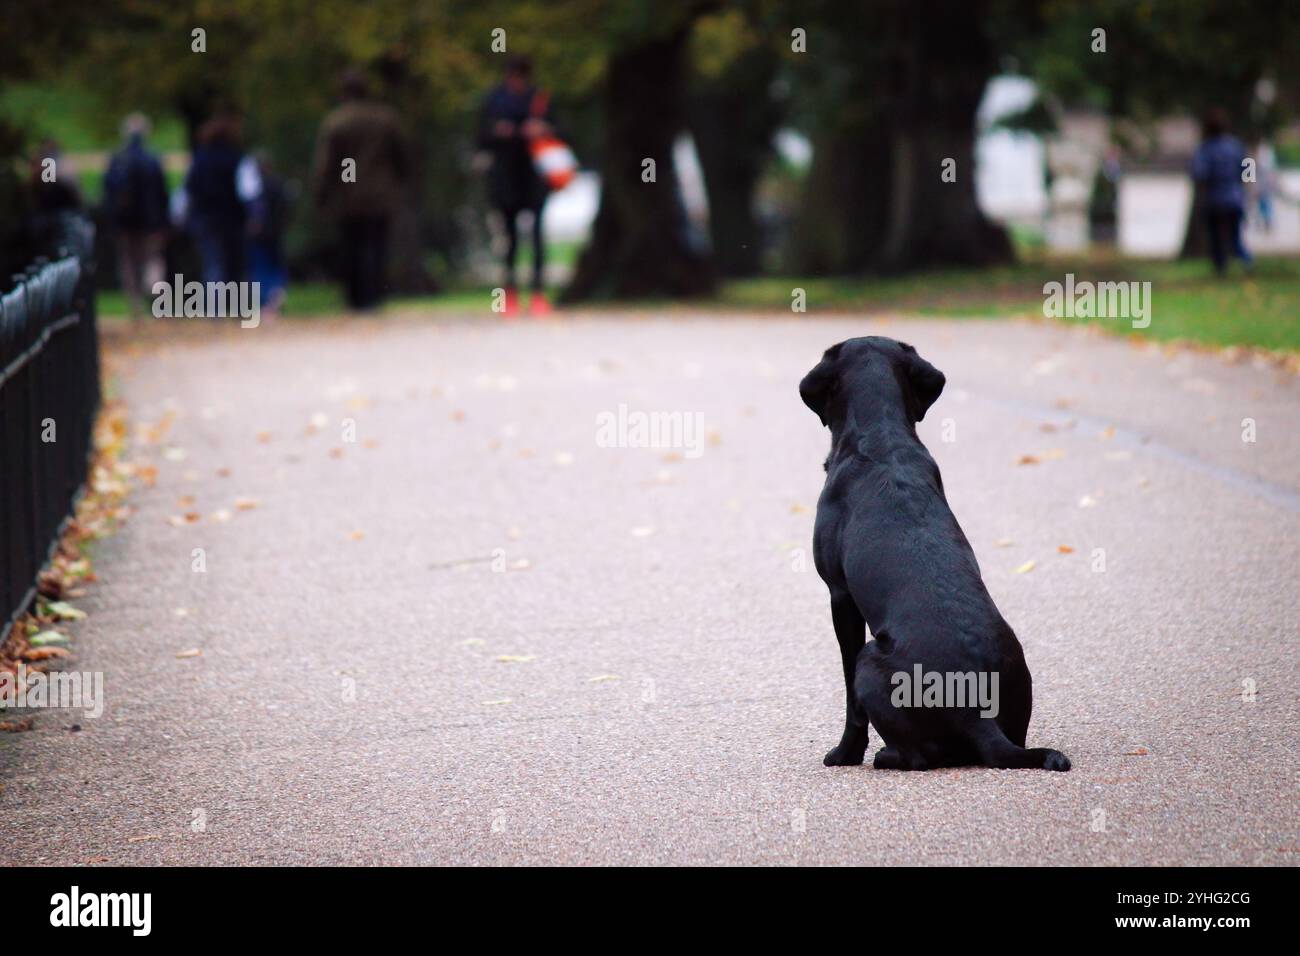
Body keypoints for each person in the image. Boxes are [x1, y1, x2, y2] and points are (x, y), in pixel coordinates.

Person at [311, 69, 410, 311]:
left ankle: (354, 300)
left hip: (348, 195)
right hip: (380, 193)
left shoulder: (336, 121)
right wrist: (401, 181)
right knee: (376, 246)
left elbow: (326, 164)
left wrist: (320, 193)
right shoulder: (386, 118)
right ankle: (374, 298)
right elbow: (403, 156)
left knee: (351, 248)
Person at [478, 55, 559, 316]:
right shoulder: (494, 100)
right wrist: (498, 132)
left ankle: (537, 294)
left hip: (534, 176)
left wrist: (542, 128)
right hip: (506, 177)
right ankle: (509, 294)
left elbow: (562, 132)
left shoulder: (541, 99)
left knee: (537, 237)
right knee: (510, 238)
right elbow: (480, 136)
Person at [102, 116, 168, 316]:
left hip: (124, 221)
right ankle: (152, 286)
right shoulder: (153, 159)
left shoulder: (118, 159)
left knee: (128, 260)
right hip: (150, 220)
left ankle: (135, 301)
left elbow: (108, 192)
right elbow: (162, 192)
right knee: (151, 257)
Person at [185, 111, 247, 286]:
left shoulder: (199, 160)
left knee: (212, 261)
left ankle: (215, 307)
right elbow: (247, 190)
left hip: (204, 218)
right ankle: (235, 305)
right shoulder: (236, 159)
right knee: (234, 262)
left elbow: (189, 189)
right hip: (231, 218)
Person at [1191, 108, 1253, 275]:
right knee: (1235, 237)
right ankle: (1246, 262)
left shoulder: (1205, 149)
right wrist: (1245, 188)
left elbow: (1199, 174)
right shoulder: (1236, 145)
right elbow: (1248, 169)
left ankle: (1221, 269)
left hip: (1215, 200)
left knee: (1216, 239)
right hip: (1235, 198)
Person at [242, 150, 290, 314]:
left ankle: (265, 301)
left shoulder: (254, 186)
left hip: (258, 234)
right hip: (276, 232)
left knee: (260, 266)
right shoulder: (279, 184)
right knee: (275, 264)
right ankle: (276, 292)